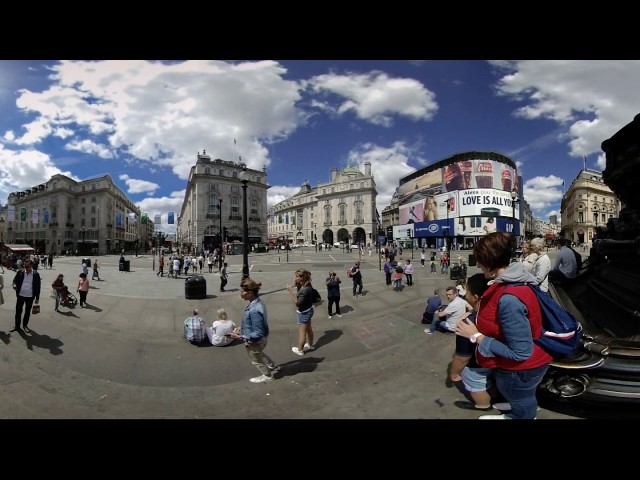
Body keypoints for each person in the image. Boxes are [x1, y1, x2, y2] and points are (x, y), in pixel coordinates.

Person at [456, 231, 553, 419]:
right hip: (527, 366)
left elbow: (520, 352)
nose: (477, 264)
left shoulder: (509, 298)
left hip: (521, 370)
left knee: (521, 397)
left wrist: (476, 336)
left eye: (479, 260)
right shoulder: (517, 281)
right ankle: (519, 405)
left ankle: (521, 414)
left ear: (489, 262)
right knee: (522, 396)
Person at [449, 273, 497, 411]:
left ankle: (483, 405)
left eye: (468, 291)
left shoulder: (466, 324)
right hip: (496, 360)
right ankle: (493, 397)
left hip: (475, 365)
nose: (465, 295)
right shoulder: (498, 313)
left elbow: (462, 356)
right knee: (490, 382)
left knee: (477, 387)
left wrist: (453, 373)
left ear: (475, 297)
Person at [227, 278, 279, 383]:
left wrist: (239, 337)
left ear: (250, 293)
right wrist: (241, 328)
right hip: (261, 338)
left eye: (242, 291)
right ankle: (272, 365)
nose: (241, 294)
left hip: (256, 340)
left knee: (255, 359)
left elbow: (258, 332)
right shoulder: (257, 303)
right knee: (258, 353)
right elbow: (254, 323)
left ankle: (268, 376)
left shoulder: (254, 309)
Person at [287, 268, 315, 356]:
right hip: (309, 310)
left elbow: (297, 303)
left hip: (303, 313)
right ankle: (310, 345)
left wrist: (290, 291)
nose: (295, 278)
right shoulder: (307, 285)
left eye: (297, 277)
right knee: (309, 329)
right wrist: (297, 285)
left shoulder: (305, 290)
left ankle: (300, 350)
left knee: (302, 333)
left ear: (302, 278)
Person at [11, 258, 41, 333]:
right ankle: (17, 326)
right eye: (24, 266)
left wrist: (37, 298)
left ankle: (25, 326)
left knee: (27, 312)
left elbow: (38, 287)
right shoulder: (20, 272)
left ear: (31, 266)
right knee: (18, 311)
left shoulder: (36, 274)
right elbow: (14, 281)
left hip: (30, 297)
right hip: (20, 295)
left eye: (27, 266)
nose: (25, 268)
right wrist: (14, 285)